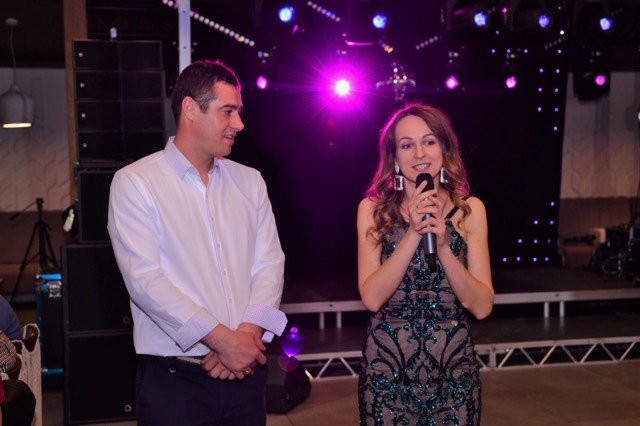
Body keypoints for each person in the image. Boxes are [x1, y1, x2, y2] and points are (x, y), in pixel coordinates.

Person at [108, 60, 287, 425]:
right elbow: (145, 281)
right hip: (175, 382)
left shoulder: (250, 181)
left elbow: (270, 265)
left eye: (238, 112)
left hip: (246, 376)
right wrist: (223, 341)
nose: (239, 124)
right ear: (190, 108)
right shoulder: (136, 183)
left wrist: (246, 337)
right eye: (228, 111)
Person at [357, 103, 494, 425]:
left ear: (444, 149)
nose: (419, 153)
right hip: (387, 375)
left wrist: (444, 247)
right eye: (407, 145)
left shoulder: (470, 211)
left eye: (429, 141)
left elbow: (482, 306)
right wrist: (413, 233)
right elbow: (372, 298)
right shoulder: (373, 211)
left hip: (454, 377)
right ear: (394, 157)